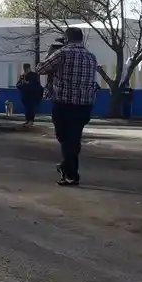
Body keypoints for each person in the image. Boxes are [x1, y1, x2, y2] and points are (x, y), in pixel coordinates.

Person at [36, 27, 98, 186]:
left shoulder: (62, 53)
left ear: (67, 39)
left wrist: (50, 53)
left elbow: (40, 69)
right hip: (84, 105)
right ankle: (67, 168)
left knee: (64, 138)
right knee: (74, 138)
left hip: (64, 103)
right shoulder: (91, 57)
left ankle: (70, 173)